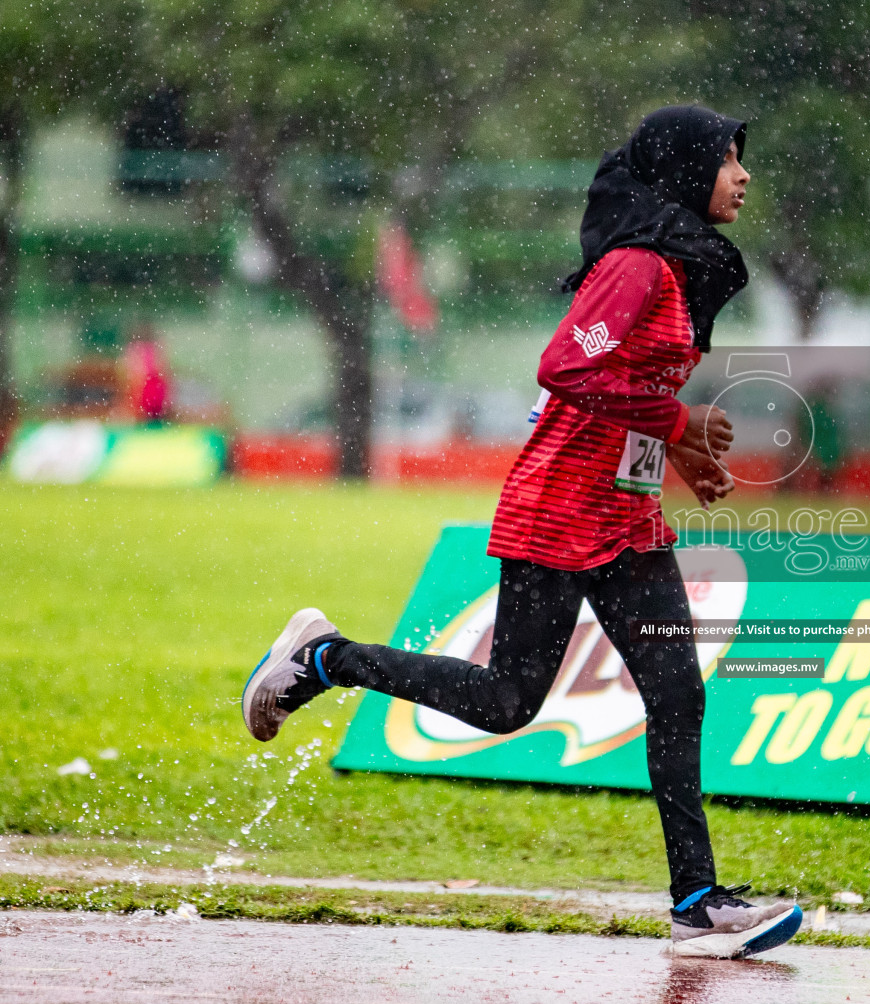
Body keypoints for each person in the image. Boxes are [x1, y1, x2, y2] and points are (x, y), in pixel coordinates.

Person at [241, 106, 802, 959]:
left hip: (627, 520)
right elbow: (566, 368)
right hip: (555, 514)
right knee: (507, 704)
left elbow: (628, 387)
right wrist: (675, 420)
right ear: (690, 170)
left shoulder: (680, 268)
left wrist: (679, 452)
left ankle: (697, 903)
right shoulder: (636, 265)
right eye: (730, 159)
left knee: (679, 692)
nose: (744, 174)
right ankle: (325, 658)